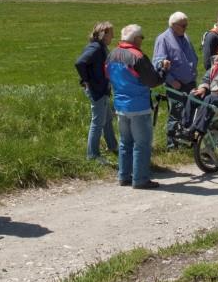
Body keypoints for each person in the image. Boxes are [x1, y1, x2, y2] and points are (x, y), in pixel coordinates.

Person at [107, 25, 170, 189]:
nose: (142, 41)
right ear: (136, 39)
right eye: (141, 38)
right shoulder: (138, 56)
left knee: (125, 142)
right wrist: (163, 70)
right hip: (139, 106)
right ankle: (140, 179)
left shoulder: (112, 54)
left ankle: (124, 176)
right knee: (141, 144)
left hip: (120, 104)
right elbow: (153, 81)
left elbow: (108, 75)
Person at [153, 11, 198, 149]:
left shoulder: (185, 37)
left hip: (190, 82)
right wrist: (172, 80)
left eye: (186, 25)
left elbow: (193, 56)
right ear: (173, 25)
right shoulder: (163, 39)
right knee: (176, 112)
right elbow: (158, 63)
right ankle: (172, 145)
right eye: (183, 25)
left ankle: (186, 141)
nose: (186, 28)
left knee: (190, 112)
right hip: (176, 85)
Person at [74, 21, 116, 165]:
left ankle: (113, 146)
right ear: (104, 35)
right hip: (96, 90)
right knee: (97, 122)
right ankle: (92, 155)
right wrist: (86, 81)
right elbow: (80, 63)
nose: (113, 36)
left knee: (108, 118)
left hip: (102, 89)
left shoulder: (101, 47)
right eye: (111, 33)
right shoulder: (96, 48)